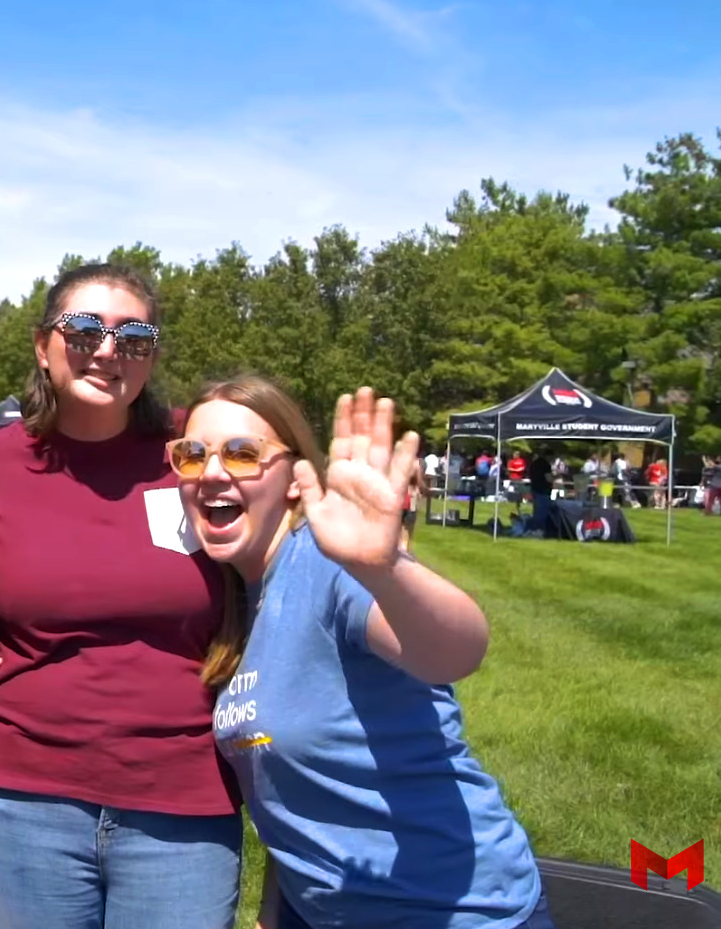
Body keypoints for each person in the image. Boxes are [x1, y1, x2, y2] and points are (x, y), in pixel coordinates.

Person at [171, 375, 552, 929]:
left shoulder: (328, 567)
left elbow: (455, 652)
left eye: (242, 453)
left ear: (297, 481)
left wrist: (383, 569)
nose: (211, 472)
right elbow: (291, 801)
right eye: (192, 454)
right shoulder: (239, 600)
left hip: (454, 911)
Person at [0, 263, 240, 929]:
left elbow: (280, 564)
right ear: (42, 347)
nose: (107, 350)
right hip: (21, 802)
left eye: (133, 337)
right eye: (83, 330)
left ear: (151, 356)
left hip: (182, 803)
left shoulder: (197, 459)